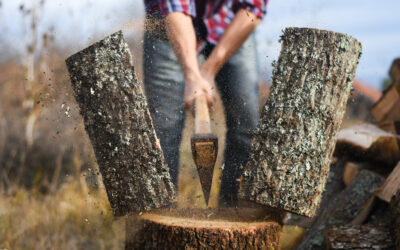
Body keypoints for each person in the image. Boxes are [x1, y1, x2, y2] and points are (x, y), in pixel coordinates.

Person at [143, 0, 268, 207]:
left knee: (246, 125)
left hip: (231, 23)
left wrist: (209, 71)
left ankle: (234, 216)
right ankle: (156, 224)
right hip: (167, 25)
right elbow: (176, 8)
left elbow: (253, 7)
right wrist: (192, 76)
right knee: (162, 131)